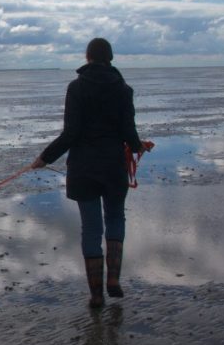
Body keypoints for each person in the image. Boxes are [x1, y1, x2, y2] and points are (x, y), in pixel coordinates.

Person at [31, 38, 148, 308]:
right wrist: (138, 146)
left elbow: (71, 133)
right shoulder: (123, 90)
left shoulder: (76, 87)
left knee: (92, 229)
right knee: (116, 218)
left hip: (84, 167)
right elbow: (129, 132)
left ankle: (96, 295)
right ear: (111, 57)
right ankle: (114, 281)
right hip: (113, 166)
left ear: (87, 57)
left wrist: (44, 157)